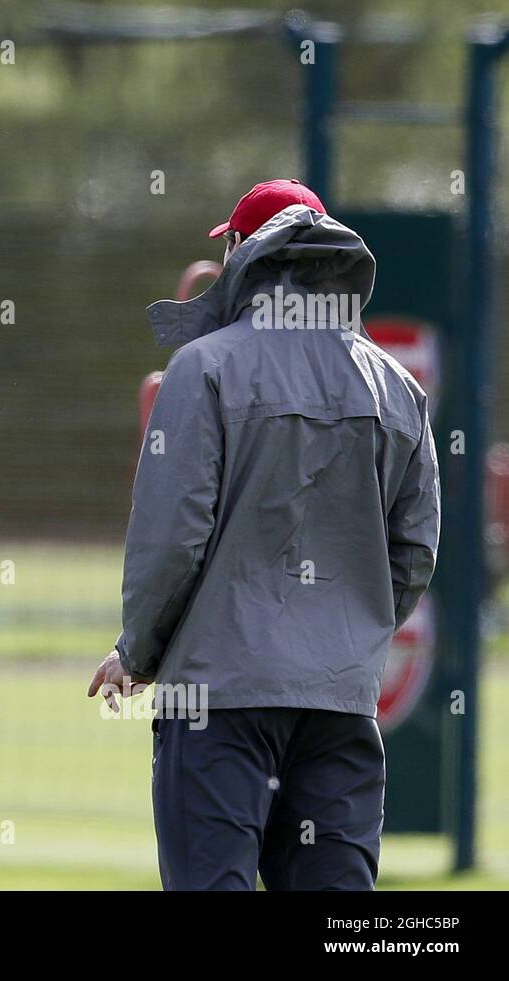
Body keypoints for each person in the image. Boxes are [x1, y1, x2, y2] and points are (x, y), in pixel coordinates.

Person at [87, 179, 441, 890]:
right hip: (340, 702)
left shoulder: (204, 367)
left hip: (219, 701)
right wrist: (350, 630)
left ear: (242, 251)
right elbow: (416, 549)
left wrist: (138, 648)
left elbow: (173, 538)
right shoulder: (396, 386)